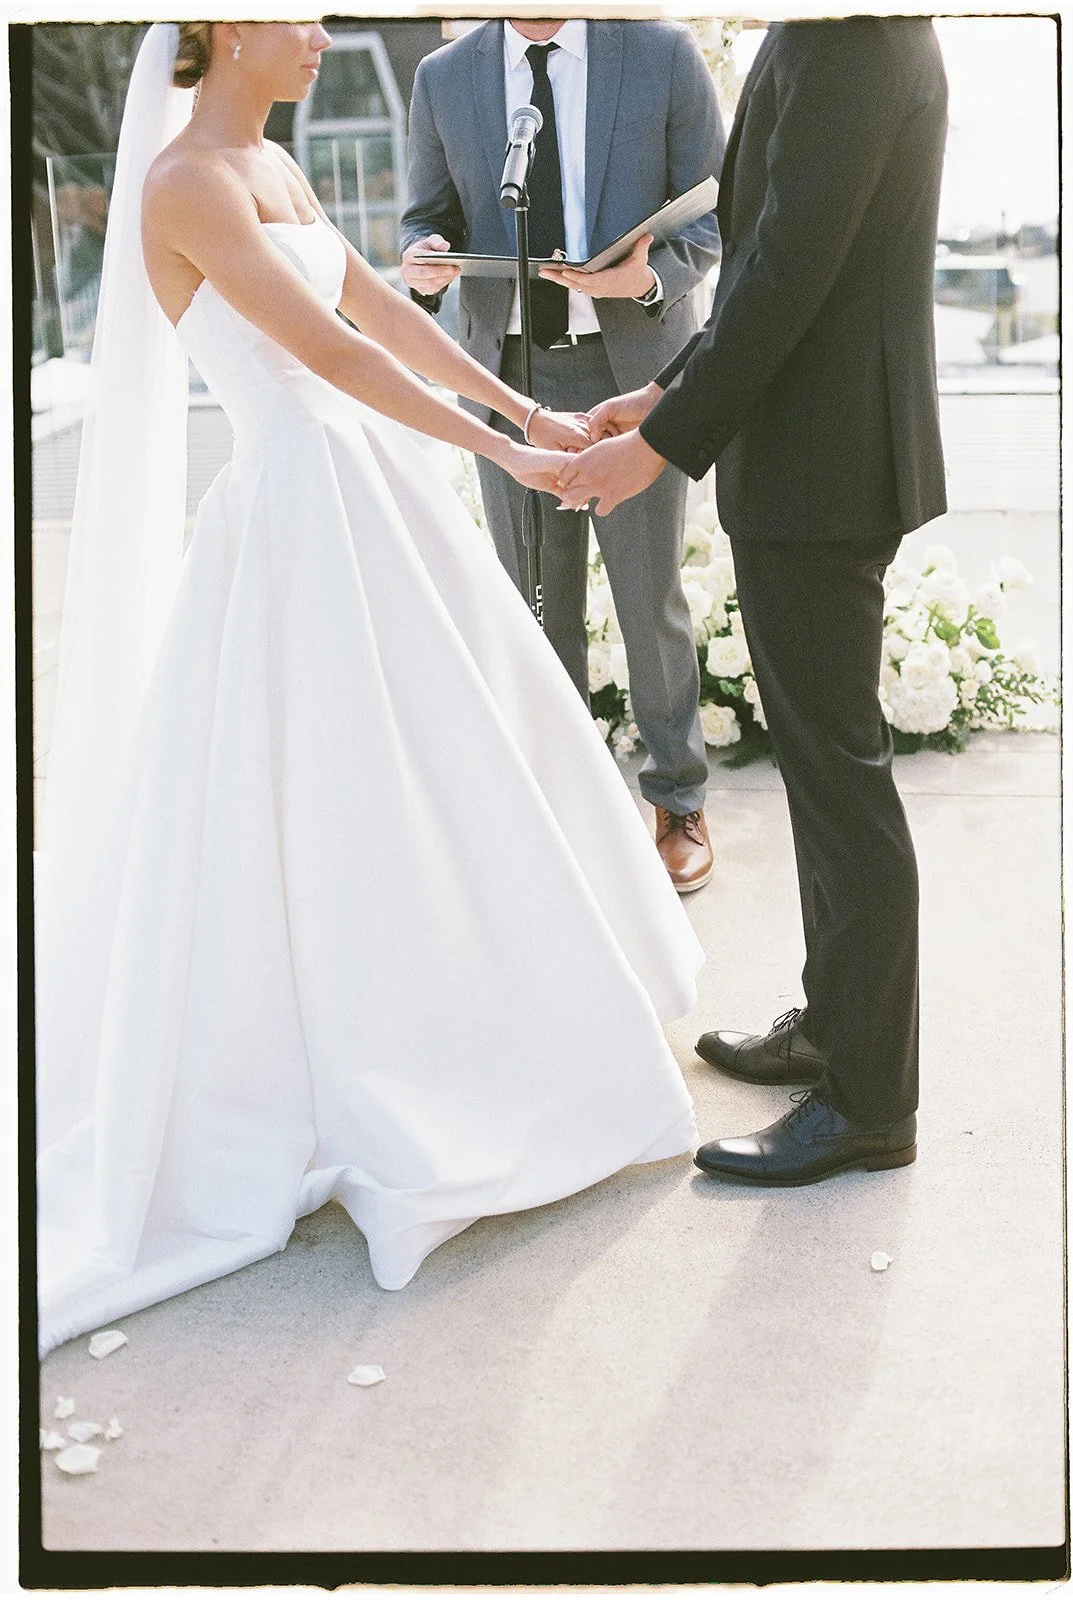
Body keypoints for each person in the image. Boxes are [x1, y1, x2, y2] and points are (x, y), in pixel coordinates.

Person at [34, 21, 704, 1358]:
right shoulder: (186, 185)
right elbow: (332, 362)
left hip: (374, 491)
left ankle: (502, 1022)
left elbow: (383, 314)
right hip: (299, 509)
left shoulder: (269, 165)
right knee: (349, 787)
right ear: (225, 30)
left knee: (465, 761)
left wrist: (528, 414)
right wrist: (509, 462)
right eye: (299, 14)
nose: (323, 35)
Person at [558, 18, 948, 1184]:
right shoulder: (830, 32)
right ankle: (838, 1028)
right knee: (823, 779)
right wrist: (663, 390)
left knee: (841, 784)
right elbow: (767, 256)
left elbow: (790, 268)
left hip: (827, 466)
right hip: (806, 458)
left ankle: (870, 1102)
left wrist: (661, 443)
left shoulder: (856, 41)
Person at [399, 18, 725, 892]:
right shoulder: (443, 76)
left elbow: (717, 211)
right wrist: (420, 258)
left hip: (637, 372)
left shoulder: (660, 55)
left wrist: (646, 278)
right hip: (507, 377)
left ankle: (678, 798)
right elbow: (423, 217)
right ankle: (560, 803)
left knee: (647, 593)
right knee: (536, 604)